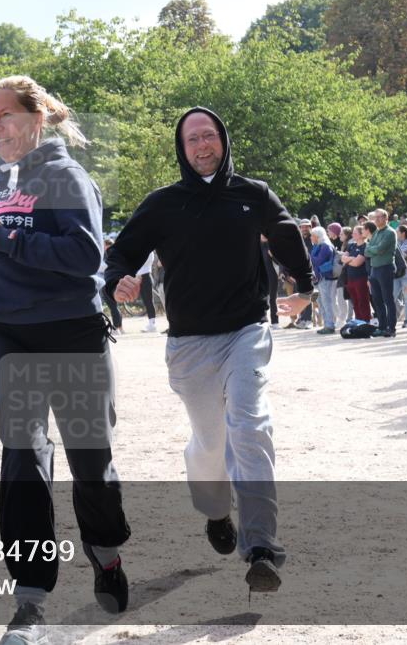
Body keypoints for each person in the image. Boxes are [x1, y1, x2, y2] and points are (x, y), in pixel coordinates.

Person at [105, 105, 313, 594]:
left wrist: (305, 289)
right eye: (192, 139)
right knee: (209, 444)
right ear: (182, 148)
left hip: (246, 331)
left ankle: (261, 546)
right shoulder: (162, 203)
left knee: (250, 425)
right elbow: (121, 254)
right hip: (190, 345)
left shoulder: (253, 194)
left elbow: (287, 240)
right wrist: (117, 281)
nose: (202, 145)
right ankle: (216, 511)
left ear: (223, 139)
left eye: (209, 135)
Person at [0, 75, 131, 644]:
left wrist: (2, 237)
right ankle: (30, 601)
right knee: (22, 458)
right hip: (12, 339)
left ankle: (105, 553)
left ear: (36, 117)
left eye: (4, 115)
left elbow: (84, 258)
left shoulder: (65, 176)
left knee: (89, 462)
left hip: (74, 333)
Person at [364, 209, 398, 337]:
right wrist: (373, 249)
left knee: (388, 299)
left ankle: (391, 327)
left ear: (386, 218)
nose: (377, 219)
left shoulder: (390, 232)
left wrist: (373, 249)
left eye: (380, 217)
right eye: (375, 217)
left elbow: (380, 249)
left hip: (385, 268)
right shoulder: (377, 232)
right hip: (374, 269)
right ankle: (382, 326)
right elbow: (366, 251)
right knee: (377, 300)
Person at [309, 226, 338, 334]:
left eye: (312, 235)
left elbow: (318, 261)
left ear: (317, 236)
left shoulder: (325, 246)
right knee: (320, 302)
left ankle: (330, 325)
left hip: (325, 278)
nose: (311, 237)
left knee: (326, 302)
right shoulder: (318, 246)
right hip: (318, 278)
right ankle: (327, 324)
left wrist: (308, 257)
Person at [340, 223, 372, 321]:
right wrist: (352, 259)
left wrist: (348, 260)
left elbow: (357, 263)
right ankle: (358, 321)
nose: (352, 235)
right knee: (355, 302)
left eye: (355, 233)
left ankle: (366, 321)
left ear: (362, 234)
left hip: (361, 278)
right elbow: (342, 258)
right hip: (350, 278)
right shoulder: (351, 246)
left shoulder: (365, 246)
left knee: (363, 301)